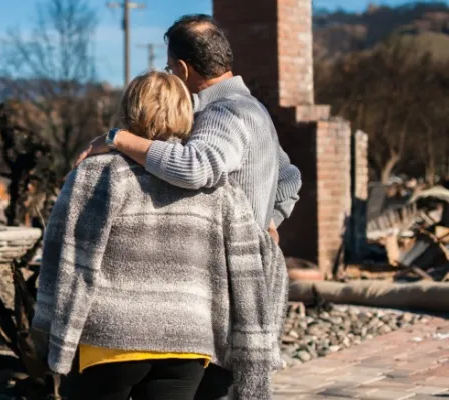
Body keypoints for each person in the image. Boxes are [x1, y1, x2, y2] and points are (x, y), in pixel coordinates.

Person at [75, 15, 300, 398]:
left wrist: (118, 139)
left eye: (168, 67)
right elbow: (290, 178)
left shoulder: (222, 115)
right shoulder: (253, 109)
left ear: (181, 68)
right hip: (243, 276)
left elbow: (196, 168)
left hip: (225, 281)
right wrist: (270, 221)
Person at [33, 70, 287, 400]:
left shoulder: (97, 172)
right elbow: (245, 268)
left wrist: (52, 330)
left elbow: (63, 255)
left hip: (110, 337)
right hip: (188, 340)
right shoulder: (219, 190)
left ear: (128, 110)